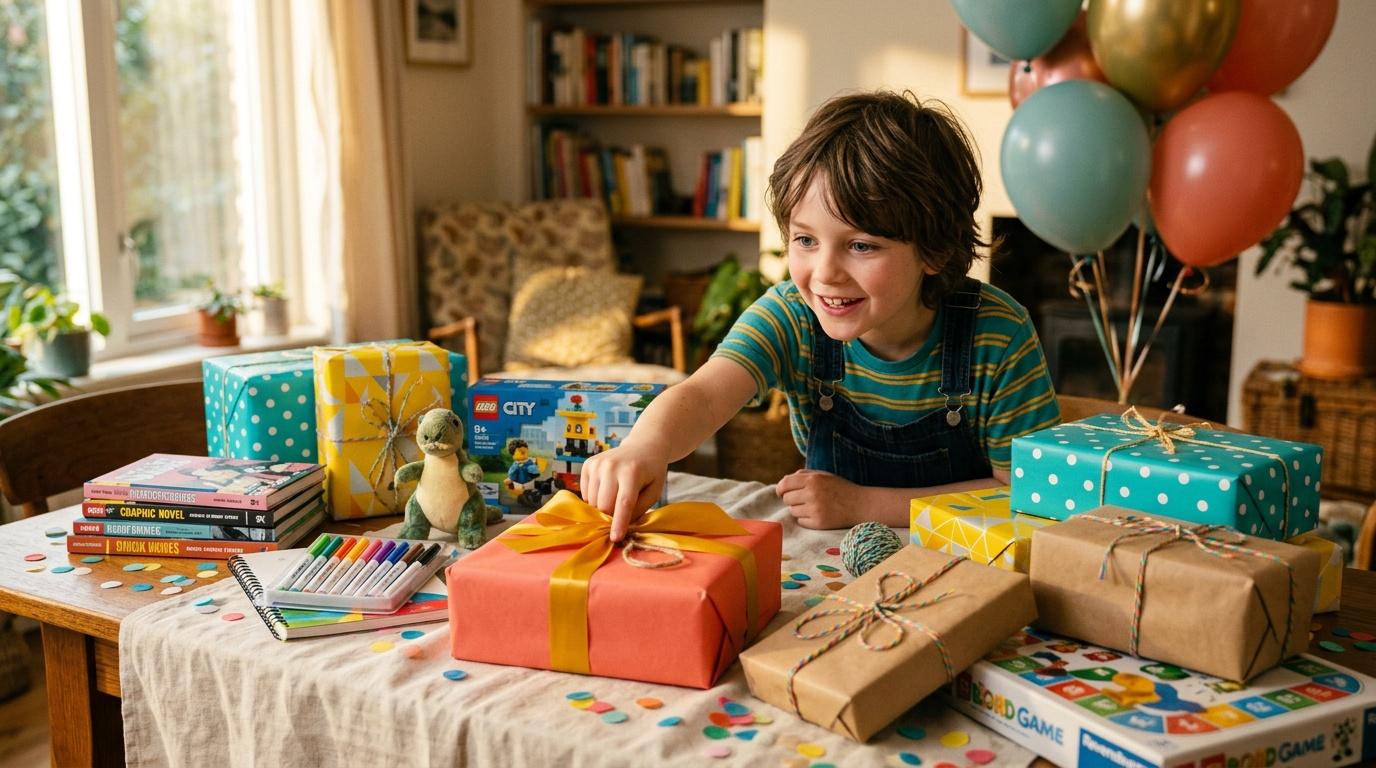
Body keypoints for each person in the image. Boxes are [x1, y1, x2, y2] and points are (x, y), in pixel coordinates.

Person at [581, 90, 1060, 541]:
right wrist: (644, 447)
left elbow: (1027, 496)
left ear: (934, 250)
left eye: (861, 245)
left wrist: (866, 504)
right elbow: (703, 397)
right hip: (833, 558)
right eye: (805, 240)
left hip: (965, 560)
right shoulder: (791, 315)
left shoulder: (997, 335)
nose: (824, 274)